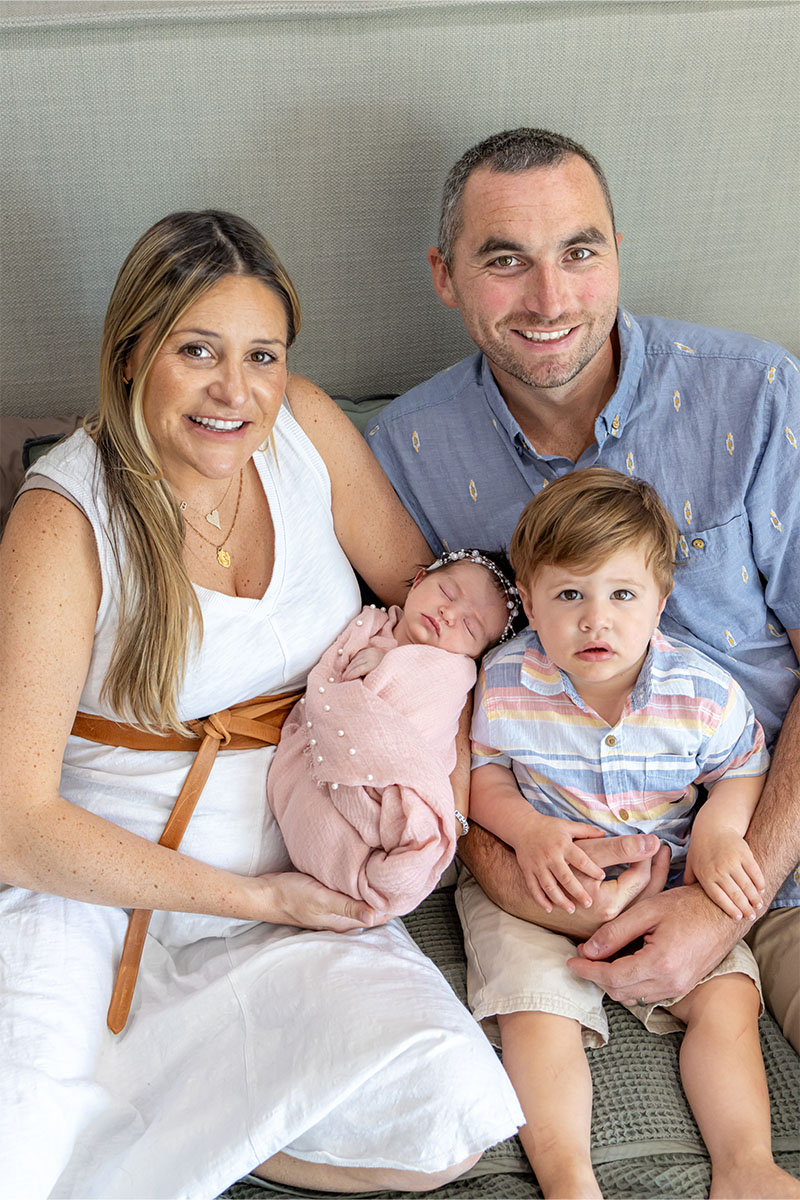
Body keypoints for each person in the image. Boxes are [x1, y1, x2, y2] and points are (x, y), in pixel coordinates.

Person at [0, 210, 526, 1200]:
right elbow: (16, 827)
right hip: (99, 899)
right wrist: (253, 898)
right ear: (131, 354)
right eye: (196, 351)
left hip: (301, 873)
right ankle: (124, 1110)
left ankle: (166, 1119)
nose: (234, 392)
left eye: (262, 355)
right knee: (19, 1159)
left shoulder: (305, 432)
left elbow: (427, 595)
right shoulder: (60, 520)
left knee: (445, 1111)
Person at [368, 127, 800, 1049]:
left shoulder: (758, 396)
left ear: (617, 255)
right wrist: (515, 860)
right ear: (445, 276)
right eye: (505, 260)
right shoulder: (407, 455)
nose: (550, 298)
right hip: (570, 878)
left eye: (579, 252)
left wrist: (728, 899)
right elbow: (425, 709)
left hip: (775, 859)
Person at [461, 468, 800, 1199]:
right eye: (568, 596)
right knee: (534, 1004)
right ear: (528, 602)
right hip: (538, 886)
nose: (596, 621)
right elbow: (479, 777)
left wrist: (718, 829)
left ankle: (746, 1167)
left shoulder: (700, 692)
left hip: (668, 881)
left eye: (622, 595)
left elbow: (743, 767)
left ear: (660, 601)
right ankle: (569, 1180)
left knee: (728, 998)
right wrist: (528, 833)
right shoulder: (504, 682)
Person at [269, 549, 521, 916]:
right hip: (324, 763)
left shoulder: (453, 674)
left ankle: (385, 870)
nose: (449, 615)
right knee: (314, 815)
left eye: (470, 627)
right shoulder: (367, 627)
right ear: (419, 580)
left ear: (477, 653)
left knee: (414, 839)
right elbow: (325, 696)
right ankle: (342, 864)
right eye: (448, 594)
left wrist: (387, 666)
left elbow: (420, 730)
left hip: (400, 783)